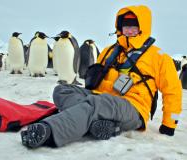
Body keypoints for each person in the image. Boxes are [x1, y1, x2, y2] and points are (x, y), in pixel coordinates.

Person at [21, 5, 182, 148]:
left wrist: (170, 124)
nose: (130, 30)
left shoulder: (159, 57)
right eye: (126, 26)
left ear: (143, 28)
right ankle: (102, 124)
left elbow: (172, 91)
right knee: (62, 90)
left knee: (95, 104)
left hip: (133, 107)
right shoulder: (109, 51)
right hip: (101, 98)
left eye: (134, 26)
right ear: (120, 27)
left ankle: (49, 131)